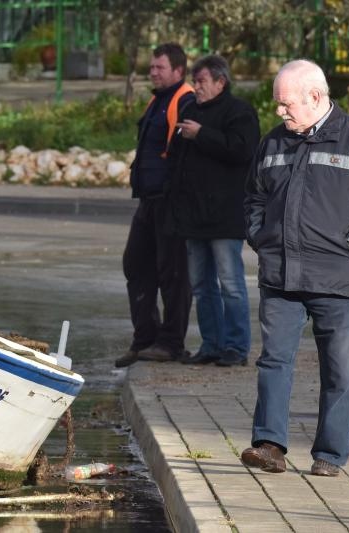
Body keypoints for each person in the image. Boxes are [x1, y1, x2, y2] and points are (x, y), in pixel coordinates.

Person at [241, 59, 349, 477]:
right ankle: (269, 446)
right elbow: (253, 197)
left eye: (285, 103)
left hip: (338, 280)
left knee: (340, 370)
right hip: (280, 277)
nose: (279, 111)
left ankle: (329, 455)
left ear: (315, 97)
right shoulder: (273, 143)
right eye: (277, 104)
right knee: (274, 362)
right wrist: (261, 238)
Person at [166, 55, 260, 367]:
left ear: (221, 82)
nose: (197, 87)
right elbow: (179, 162)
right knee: (202, 286)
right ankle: (211, 344)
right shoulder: (190, 109)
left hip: (224, 216)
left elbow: (243, 150)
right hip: (194, 217)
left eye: (203, 81)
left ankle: (236, 347)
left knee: (230, 285)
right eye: (196, 81)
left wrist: (202, 134)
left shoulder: (240, 112)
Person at [114, 43, 195, 368]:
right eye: (152, 68)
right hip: (149, 201)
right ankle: (145, 338)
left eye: (159, 68)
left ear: (178, 70)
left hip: (171, 203)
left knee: (173, 273)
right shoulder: (157, 100)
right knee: (135, 265)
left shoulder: (184, 100)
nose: (153, 72)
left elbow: (183, 155)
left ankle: (171, 343)